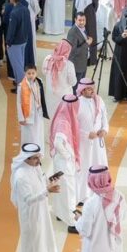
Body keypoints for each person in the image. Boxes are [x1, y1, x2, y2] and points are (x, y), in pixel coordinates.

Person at [10, 143, 61, 252]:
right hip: (31, 215)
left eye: (39, 157)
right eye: (35, 158)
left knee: (43, 240)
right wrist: (47, 191)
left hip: (41, 210)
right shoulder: (21, 176)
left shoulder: (35, 166)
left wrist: (49, 181)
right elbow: (29, 199)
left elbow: (40, 182)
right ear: (26, 158)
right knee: (34, 244)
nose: (39, 161)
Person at [74, 166, 127, 252]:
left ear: (91, 181)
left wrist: (78, 220)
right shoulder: (119, 196)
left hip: (95, 251)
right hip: (114, 247)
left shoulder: (90, 203)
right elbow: (123, 217)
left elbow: (85, 231)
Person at [50, 94, 82, 230]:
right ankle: (71, 221)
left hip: (60, 161)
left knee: (61, 187)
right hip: (64, 162)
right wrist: (68, 156)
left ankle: (60, 212)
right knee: (69, 190)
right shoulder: (64, 122)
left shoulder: (62, 116)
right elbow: (58, 143)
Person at [17, 64, 49, 149]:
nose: (31, 75)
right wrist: (21, 118)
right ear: (25, 73)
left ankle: (38, 151)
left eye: (33, 73)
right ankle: (28, 153)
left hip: (38, 112)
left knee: (38, 133)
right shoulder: (21, 86)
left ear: (36, 73)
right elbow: (19, 103)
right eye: (29, 73)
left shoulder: (39, 82)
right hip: (27, 115)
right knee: (29, 135)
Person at [42, 40, 76, 117]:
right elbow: (73, 82)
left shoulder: (47, 59)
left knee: (52, 117)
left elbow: (44, 72)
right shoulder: (69, 64)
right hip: (64, 97)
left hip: (50, 95)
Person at [6, 0, 31, 87]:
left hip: (15, 43)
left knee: (17, 65)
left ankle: (21, 86)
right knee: (21, 63)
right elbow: (28, 25)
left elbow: (11, 30)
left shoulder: (14, 12)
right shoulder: (25, 9)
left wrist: (8, 42)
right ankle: (19, 83)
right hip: (24, 40)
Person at [67, 12, 93, 84]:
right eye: (80, 20)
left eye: (83, 20)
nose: (82, 22)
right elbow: (72, 51)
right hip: (76, 66)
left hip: (83, 63)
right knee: (76, 86)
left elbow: (81, 42)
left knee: (81, 85)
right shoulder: (73, 32)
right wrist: (87, 43)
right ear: (75, 20)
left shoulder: (82, 28)